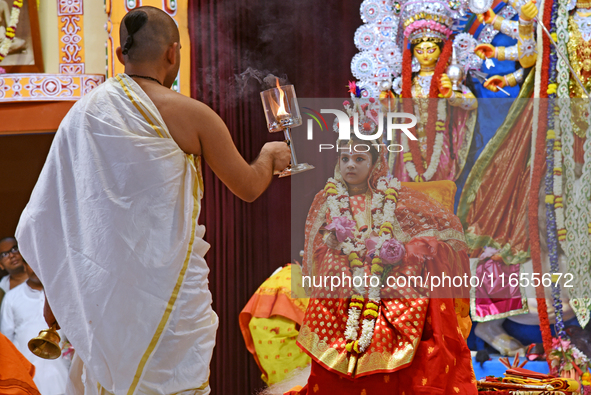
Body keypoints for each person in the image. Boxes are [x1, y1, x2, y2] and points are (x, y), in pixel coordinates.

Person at [14, 6, 290, 395]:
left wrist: (59, 290)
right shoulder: (192, 115)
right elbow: (247, 186)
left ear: (120, 54)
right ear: (173, 53)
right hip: (168, 296)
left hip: (103, 295)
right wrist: (269, 156)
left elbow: (47, 216)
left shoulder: (83, 113)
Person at [289, 131, 476, 394]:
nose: (350, 165)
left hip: (385, 271)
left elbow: (431, 233)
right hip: (344, 269)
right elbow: (317, 247)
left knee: (411, 274)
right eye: (344, 159)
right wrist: (332, 243)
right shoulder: (326, 199)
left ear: (375, 165)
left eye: (359, 159)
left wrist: (399, 252)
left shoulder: (395, 197)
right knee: (336, 274)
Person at [0, 261, 69, 395]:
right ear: (24, 266)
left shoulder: (62, 296)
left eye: (41, 263)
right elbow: (6, 343)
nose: (37, 268)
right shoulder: (11, 297)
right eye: (32, 263)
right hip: (27, 376)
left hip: (62, 375)